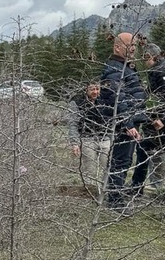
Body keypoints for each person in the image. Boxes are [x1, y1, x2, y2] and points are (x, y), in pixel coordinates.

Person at [100, 32, 156, 209]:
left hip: (131, 121)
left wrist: (146, 118)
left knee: (124, 161)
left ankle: (116, 197)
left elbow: (134, 96)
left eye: (134, 45)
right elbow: (117, 98)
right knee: (120, 161)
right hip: (123, 124)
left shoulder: (126, 67)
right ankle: (115, 202)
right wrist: (128, 124)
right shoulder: (114, 68)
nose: (133, 48)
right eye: (128, 45)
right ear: (117, 47)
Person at [130, 42, 165, 194]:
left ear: (151, 56)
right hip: (155, 119)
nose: (144, 62)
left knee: (148, 153)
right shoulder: (157, 70)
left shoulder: (158, 71)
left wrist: (162, 119)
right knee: (146, 151)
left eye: (145, 58)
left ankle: (143, 188)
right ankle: (141, 187)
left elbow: (160, 97)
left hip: (158, 122)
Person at [65, 81, 112, 194]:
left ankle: (105, 192)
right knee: (90, 169)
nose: (95, 92)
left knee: (107, 167)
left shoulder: (105, 101)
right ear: (86, 89)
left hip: (104, 139)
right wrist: (75, 143)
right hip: (87, 139)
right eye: (92, 89)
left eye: (97, 89)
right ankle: (90, 193)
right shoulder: (77, 102)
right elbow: (73, 123)